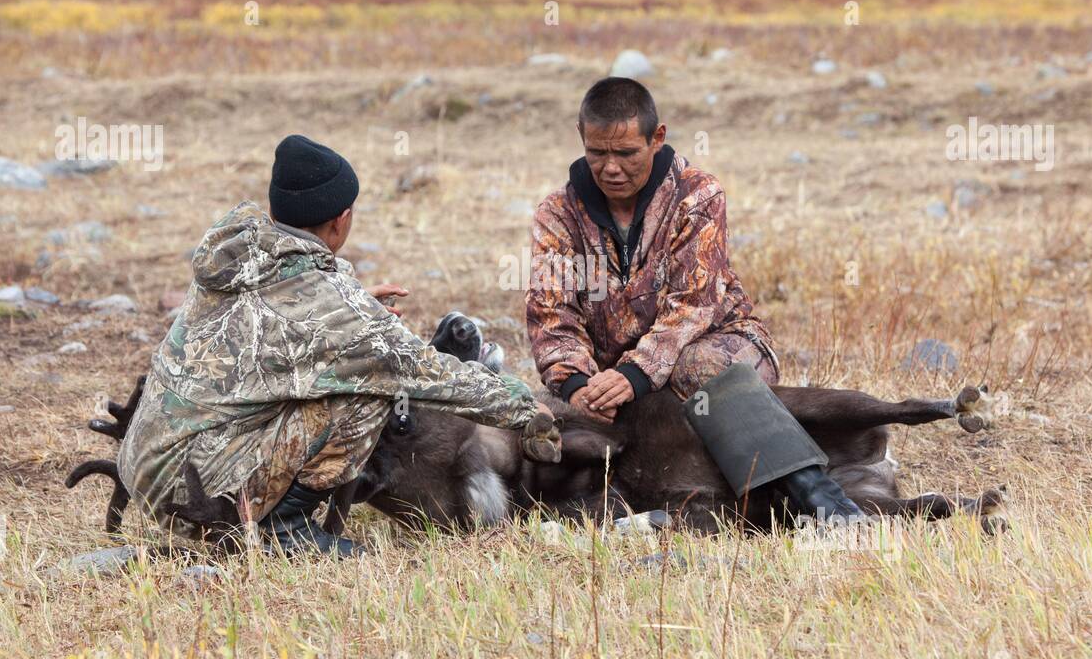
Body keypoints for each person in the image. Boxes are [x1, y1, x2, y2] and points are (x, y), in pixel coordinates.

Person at [119, 134, 558, 553]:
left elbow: (279, 323)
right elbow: (428, 373)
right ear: (342, 219)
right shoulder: (336, 309)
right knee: (370, 390)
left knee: (350, 371)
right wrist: (525, 408)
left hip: (145, 469)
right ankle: (282, 531)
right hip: (199, 493)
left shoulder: (237, 255)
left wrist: (358, 306)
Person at [526, 79, 860, 521]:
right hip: (615, 379)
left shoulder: (699, 195)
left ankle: (822, 500)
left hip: (720, 345)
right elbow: (552, 315)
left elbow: (692, 304)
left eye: (626, 153)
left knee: (696, 368)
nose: (610, 168)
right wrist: (578, 385)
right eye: (597, 153)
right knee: (552, 413)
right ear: (580, 137)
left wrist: (636, 372)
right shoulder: (557, 214)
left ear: (657, 137)